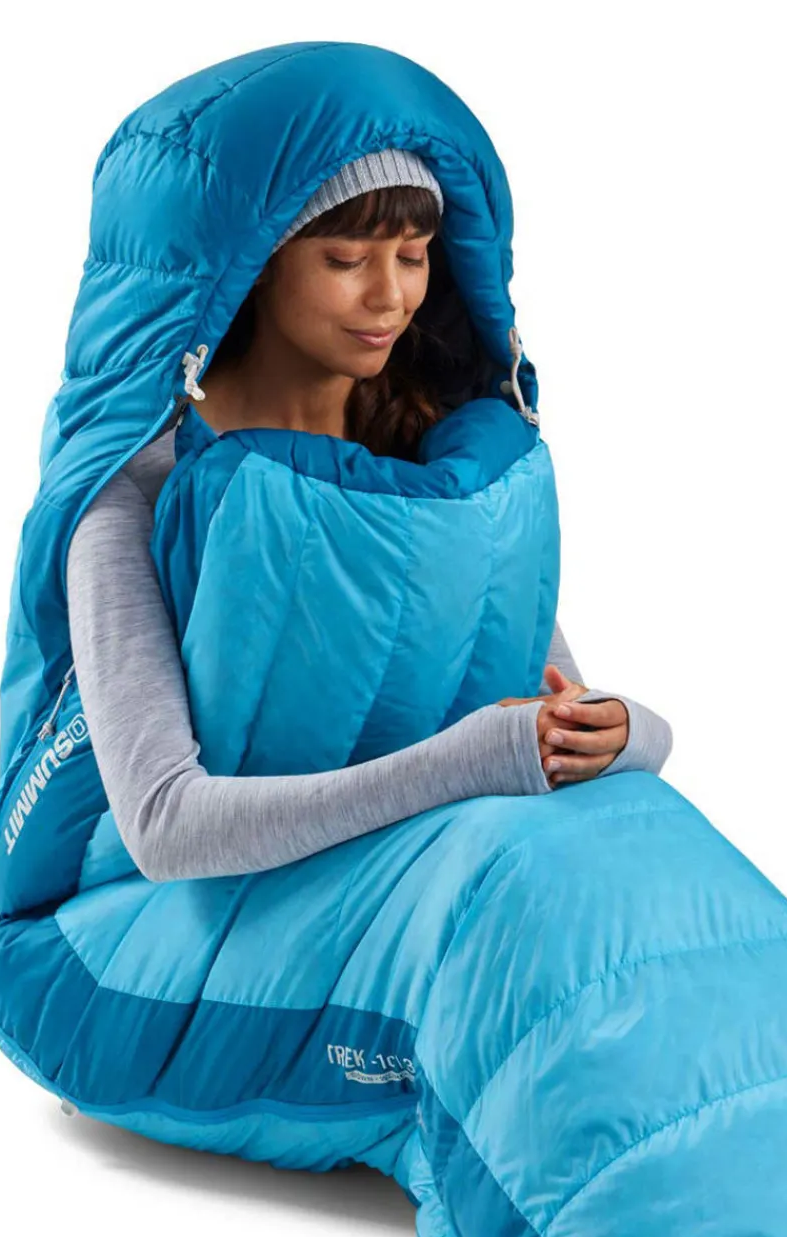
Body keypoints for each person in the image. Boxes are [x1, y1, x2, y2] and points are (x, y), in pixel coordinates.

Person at [66, 150, 673, 884]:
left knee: (647, 855)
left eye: (414, 257)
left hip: (438, 876)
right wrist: (469, 763)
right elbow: (163, 827)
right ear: (255, 262)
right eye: (347, 259)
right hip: (187, 907)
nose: (390, 296)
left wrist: (630, 734)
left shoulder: (438, 465)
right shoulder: (137, 488)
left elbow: (556, 696)